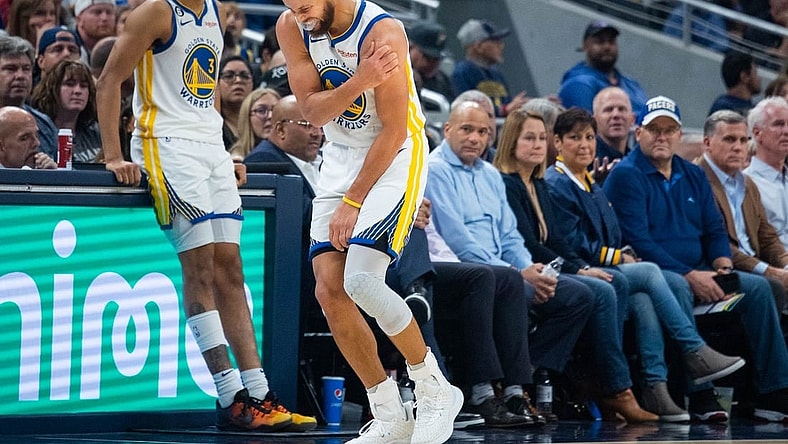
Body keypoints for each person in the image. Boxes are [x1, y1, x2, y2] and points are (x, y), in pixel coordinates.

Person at [95, 0, 316, 432]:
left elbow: (203, 89)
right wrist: (113, 156)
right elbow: (108, 80)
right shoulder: (155, 12)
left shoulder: (215, 11)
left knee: (231, 270)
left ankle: (259, 393)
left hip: (209, 148)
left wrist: (227, 150)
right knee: (199, 268)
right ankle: (230, 396)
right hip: (165, 143)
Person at [276, 1, 463, 443]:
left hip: (395, 154)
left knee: (361, 281)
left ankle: (436, 390)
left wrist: (354, 201)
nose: (297, 11)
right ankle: (389, 414)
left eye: (304, 3)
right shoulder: (292, 25)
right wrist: (360, 80)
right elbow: (314, 112)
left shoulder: (382, 30)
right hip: (340, 156)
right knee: (329, 290)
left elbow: (395, 129)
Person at [425, 101, 656, 423]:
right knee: (508, 284)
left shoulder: (489, 173)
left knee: (580, 295)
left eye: (482, 131)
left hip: (505, 268)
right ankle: (506, 387)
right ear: (447, 129)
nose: (475, 138)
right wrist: (519, 272)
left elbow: (511, 237)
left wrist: (536, 272)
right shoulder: (435, 169)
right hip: (466, 269)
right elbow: (458, 239)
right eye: (467, 129)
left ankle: (525, 375)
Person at [527, 108, 743, 422]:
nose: (585, 145)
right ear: (558, 142)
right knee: (650, 272)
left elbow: (611, 234)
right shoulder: (558, 183)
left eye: (589, 137)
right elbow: (572, 244)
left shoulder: (588, 181)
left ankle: (654, 386)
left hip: (602, 266)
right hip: (578, 268)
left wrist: (621, 253)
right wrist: (619, 257)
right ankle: (692, 350)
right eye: (574, 138)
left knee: (643, 298)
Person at [604, 95, 788, 422]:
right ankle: (700, 392)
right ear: (639, 133)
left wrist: (722, 265)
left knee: (760, 289)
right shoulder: (626, 175)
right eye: (654, 129)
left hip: (703, 270)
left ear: (679, 135)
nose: (662, 137)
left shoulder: (692, 174)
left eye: (669, 129)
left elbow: (714, 228)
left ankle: (774, 393)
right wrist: (691, 275)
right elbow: (639, 241)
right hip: (661, 275)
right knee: (675, 283)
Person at [423, 219, 540, 428]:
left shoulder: (415, 197)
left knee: (510, 278)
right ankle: (482, 394)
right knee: (480, 275)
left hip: (442, 262)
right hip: (407, 265)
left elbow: (435, 241)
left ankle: (514, 392)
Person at [698, 110, 788, 311]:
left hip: (755, 265)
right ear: (707, 143)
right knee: (771, 287)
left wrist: (785, 265)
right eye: (729, 139)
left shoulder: (747, 183)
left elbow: (767, 236)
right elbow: (718, 242)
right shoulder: (697, 180)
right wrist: (769, 271)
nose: (738, 147)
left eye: (743, 140)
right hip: (721, 268)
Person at [557, 20, 647, 117]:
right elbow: (585, 128)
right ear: (585, 45)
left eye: (611, 41)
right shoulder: (578, 83)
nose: (607, 46)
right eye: (600, 42)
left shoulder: (631, 83)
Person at [451, 18, 527, 117]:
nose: (501, 46)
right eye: (495, 41)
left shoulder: (497, 74)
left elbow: (507, 105)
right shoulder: (462, 73)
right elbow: (466, 109)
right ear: (478, 46)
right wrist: (504, 110)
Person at [32, 59, 101, 162]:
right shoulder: (38, 131)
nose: (78, 91)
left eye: (83, 86)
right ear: (52, 88)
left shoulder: (96, 132)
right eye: (69, 84)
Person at [0, 36, 58, 159]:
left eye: (26, 69)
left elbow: (63, 171)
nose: (21, 76)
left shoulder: (43, 124)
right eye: (11, 69)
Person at [744, 97, 788, 251]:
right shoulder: (744, 184)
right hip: (773, 267)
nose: (787, 131)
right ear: (757, 133)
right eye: (779, 124)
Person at [591, 86, 634, 182]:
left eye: (622, 109)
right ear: (594, 121)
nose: (616, 115)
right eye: (608, 109)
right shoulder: (584, 157)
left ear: (632, 119)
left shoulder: (637, 160)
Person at [407, 20, 454, 103]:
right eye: (427, 57)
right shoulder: (395, 73)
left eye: (437, 59)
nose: (432, 63)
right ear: (410, 48)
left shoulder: (443, 80)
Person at [229, 88, 281, 160]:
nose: (270, 116)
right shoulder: (236, 160)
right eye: (261, 110)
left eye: (275, 110)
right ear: (247, 117)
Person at [218, 56, 254, 151]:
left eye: (245, 76)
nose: (238, 80)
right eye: (229, 76)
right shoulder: (210, 125)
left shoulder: (261, 122)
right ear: (217, 84)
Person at [708, 52, 761, 116]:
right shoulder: (723, 108)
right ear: (744, 77)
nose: (759, 79)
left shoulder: (754, 108)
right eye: (755, 73)